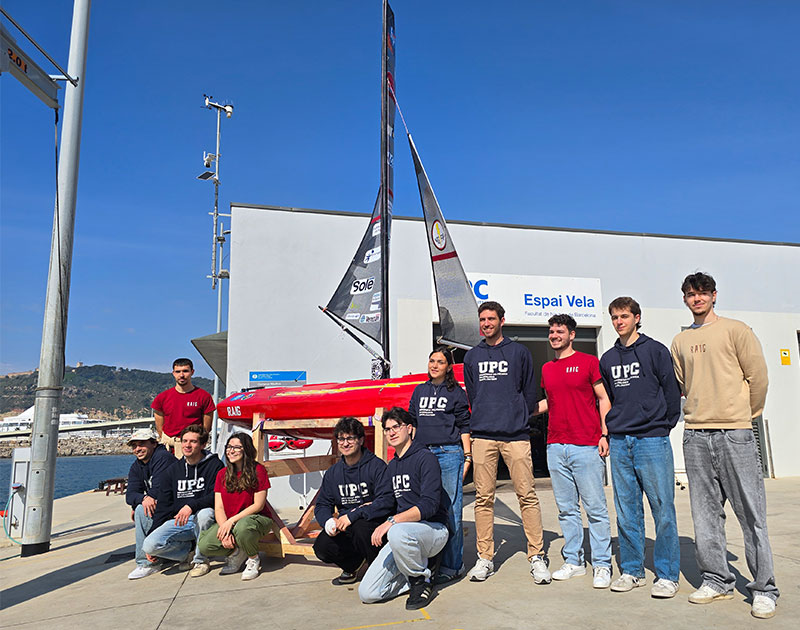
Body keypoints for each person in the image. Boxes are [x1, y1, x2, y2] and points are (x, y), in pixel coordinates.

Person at [671, 272, 777, 619]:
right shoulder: (680, 341)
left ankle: (764, 589)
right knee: (704, 515)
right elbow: (684, 382)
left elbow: (758, 378)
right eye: (691, 294)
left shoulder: (737, 330)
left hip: (735, 433)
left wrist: (745, 415)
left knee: (751, 514)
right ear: (685, 299)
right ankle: (716, 580)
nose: (697, 298)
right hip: (696, 434)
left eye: (703, 293)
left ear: (714, 295)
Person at [463, 301, 551, 584]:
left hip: (515, 436)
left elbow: (529, 391)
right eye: (482, 320)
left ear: (502, 321)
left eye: (491, 319)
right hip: (483, 436)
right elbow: (473, 394)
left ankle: (536, 556)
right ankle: (485, 558)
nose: (486, 324)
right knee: (483, 499)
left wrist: (518, 416)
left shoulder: (519, 352)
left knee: (527, 495)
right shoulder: (472, 357)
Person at [599, 297, 682, 598]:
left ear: (636, 317)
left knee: (663, 509)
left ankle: (668, 575)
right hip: (621, 441)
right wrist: (608, 432)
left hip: (652, 440)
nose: (619, 322)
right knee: (626, 511)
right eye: (614, 317)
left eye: (624, 316)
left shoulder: (655, 350)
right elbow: (607, 398)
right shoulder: (608, 359)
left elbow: (671, 391)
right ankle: (633, 571)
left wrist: (663, 426)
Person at [536, 313, 613, 589]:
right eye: (551, 332)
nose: (554, 336)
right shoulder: (547, 368)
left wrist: (605, 434)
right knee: (567, 510)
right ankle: (574, 561)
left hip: (586, 445)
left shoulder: (588, 362)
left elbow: (603, 398)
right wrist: (520, 412)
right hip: (556, 446)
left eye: (559, 331)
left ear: (571, 335)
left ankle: (602, 564)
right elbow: (551, 401)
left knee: (595, 509)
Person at [359, 407, 450, 610]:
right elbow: (387, 501)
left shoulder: (425, 458)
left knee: (396, 530)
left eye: (396, 427)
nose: (391, 432)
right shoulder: (392, 466)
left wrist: (392, 522)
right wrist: (359, 512)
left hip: (433, 530)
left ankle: (421, 581)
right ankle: (412, 576)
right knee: (368, 593)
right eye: (387, 429)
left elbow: (429, 505)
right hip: (404, 535)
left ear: (409, 428)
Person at [408, 347, 471, 584]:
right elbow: (412, 423)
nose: (434, 365)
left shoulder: (456, 393)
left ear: (449, 367)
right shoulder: (419, 390)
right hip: (423, 453)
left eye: (440, 362)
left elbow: (464, 425)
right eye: (432, 361)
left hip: (449, 453)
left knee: (451, 509)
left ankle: (453, 566)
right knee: (423, 506)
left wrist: (468, 456)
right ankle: (428, 560)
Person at [313, 417, 394, 584]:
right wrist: (328, 522)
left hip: (373, 525)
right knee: (322, 546)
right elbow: (322, 504)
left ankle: (381, 570)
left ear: (361, 440)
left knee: (360, 527)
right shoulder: (333, 473)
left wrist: (353, 515)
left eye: (350, 438)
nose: (345, 443)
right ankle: (353, 565)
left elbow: (386, 501)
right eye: (341, 439)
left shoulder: (377, 466)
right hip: (346, 526)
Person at [141, 424, 224, 577]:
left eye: (193, 441)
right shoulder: (172, 470)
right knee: (149, 545)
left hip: (207, 520)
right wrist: (153, 533)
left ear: (202, 445)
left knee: (205, 514)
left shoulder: (214, 465)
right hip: (181, 521)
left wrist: (190, 506)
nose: (187, 445)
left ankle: (201, 560)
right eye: (185, 441)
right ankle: (188, 554)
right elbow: (164, 505)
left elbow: (216, 495)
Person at [197, 432, 273, 580]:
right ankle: (237, 552)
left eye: (236, 447)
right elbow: (219, 507)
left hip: (256, 519)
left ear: (246, 449)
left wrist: (231, 521)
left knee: (242, 527)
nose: (231, 451)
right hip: (231, 522)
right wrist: (224, 528)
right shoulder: (222, 474)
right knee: (205, 545)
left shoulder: (258, 470)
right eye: (229, 447)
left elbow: (258, 505)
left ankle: (253, 558)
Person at [125, 427, 177, 579]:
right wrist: (142, 499)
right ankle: (157, 555)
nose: (137, 449)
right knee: (140, 507)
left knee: (141, 510)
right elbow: (130, 495)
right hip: (162, 509)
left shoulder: (163, 457)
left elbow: (160, 490)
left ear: (154, 443)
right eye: (134, 446)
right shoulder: (137, 466)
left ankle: (147, 563)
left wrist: (144, 500)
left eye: (142, 444)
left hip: (175, 509)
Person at [151, 358, 215, 452]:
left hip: (193, 449)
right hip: (169, 450)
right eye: (178, 371)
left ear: (192, 372)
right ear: (173, 373)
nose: (181, 375)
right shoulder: (161, 398)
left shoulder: (204, 397)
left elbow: (206, 428)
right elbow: (160, 428)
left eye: (185, 371)